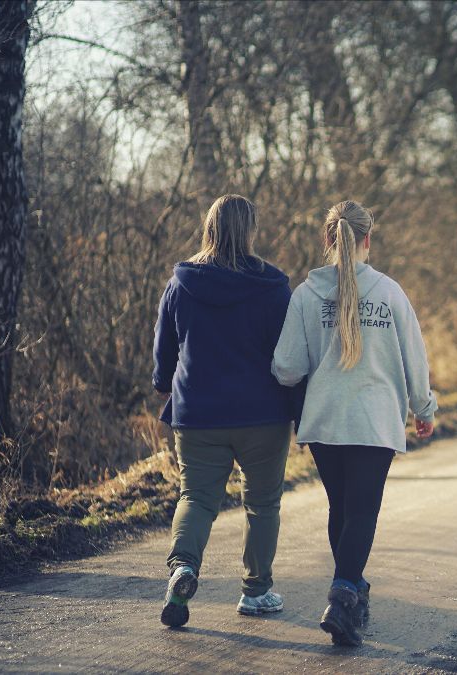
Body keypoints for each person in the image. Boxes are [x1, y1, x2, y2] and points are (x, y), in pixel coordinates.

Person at [272, 200, 437, 647]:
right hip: (374, 420)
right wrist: (424, 410)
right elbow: (414, 359)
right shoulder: (388, 292)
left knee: (342, 510)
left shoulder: (306, 295)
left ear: (328, 239)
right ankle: (343, 595)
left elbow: (286, 367)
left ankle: (352, 592)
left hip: (324, 420)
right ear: (367, 239)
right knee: (362, 512)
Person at [152, 194, 297, 628]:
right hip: (264, 415)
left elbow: (164, 354)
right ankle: (256, 593)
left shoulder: (182, 282)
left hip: (198, 414)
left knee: (196, 498)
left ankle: (183, 568)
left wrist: (165, 383)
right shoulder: (272, 286)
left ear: (209, 227)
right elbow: (289, 356)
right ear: (249, 230)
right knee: (262, 504)